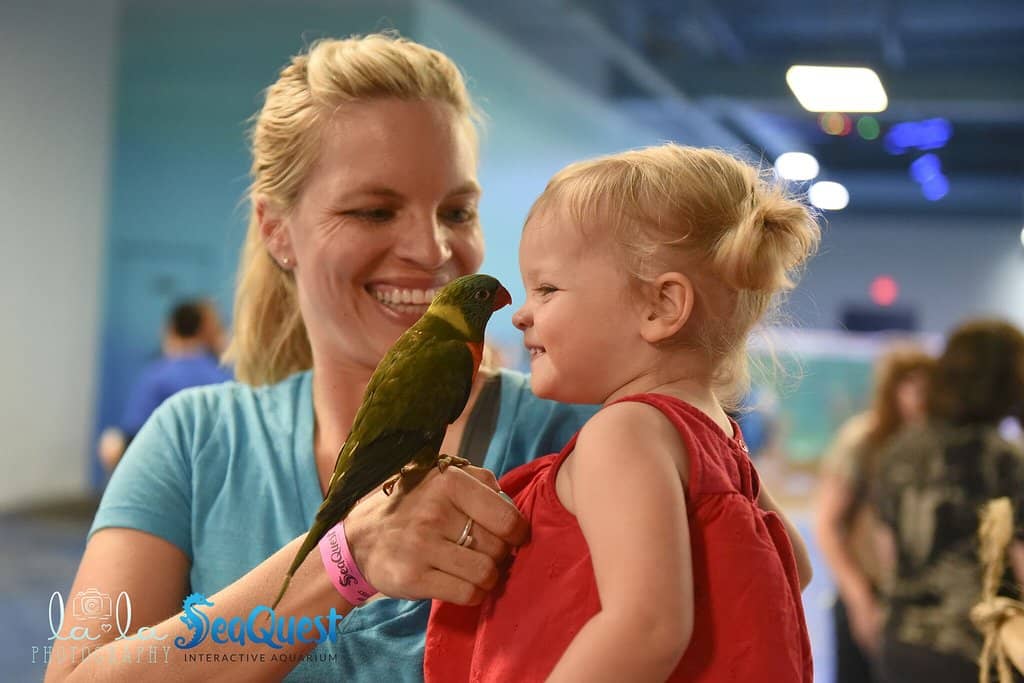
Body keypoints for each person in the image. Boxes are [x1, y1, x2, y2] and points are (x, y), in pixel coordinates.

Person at [47, 34, 597, 682]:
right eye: (373, 209)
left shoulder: (577, 438)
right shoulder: (194, 444)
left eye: (458, 211)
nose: (430, 248)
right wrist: (345, 558)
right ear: (278, 230)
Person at [425, 143, 818, 681]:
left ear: (660, 307)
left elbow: (646, 628)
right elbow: (791, 564)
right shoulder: (717, 435)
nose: (520, 314)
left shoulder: (625, 433)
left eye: (547, 289)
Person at [872, 320, 1024, 683]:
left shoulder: (899, 449)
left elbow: (887, 550)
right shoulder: (1002, 458)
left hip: (903, 645)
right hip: (981, 650)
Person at [815, 344, 933, 682]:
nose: (921, 397)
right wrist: (859, 598)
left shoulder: (934, 448)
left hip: (915, 602)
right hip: (867, 590)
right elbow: (826, 525)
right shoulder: (862, 442)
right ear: (892, 389)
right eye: (912, 385)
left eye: (929, 387)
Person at [97, 298, 232, 473]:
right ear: (208, 331)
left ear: (170, 329)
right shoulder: (224, 377)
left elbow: (134, 435)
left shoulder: (157, 376)